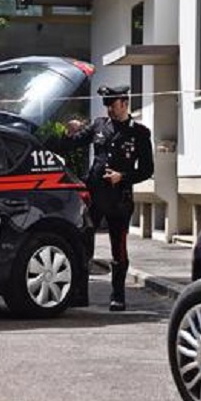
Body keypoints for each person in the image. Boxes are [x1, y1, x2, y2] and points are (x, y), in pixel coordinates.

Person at [52, 85, 154, 311]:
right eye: (107, 105)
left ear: (124, 103)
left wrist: (122, 176)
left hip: (119, 198)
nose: (109, 109)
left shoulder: (139, 133)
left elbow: (147, 170)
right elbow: (71, 144)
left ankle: (118, 296)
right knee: (83, 245)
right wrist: (68, 133)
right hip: (95, 195)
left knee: (119, 248)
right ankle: (80, 293)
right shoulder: (99, 125)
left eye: (113, 105)